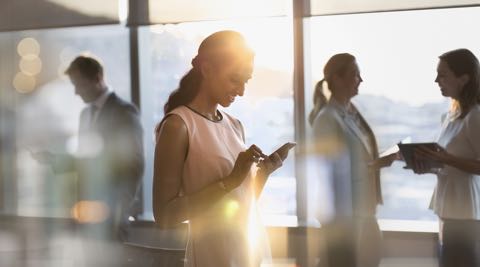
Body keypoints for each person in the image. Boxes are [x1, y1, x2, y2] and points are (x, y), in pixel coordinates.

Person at [152, 30, 291, 267]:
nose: (242, 91)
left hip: (249, 252)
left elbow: (240, 203)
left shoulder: (235, 125)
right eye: (234, 79)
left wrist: (262, 175)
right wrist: (231, 180)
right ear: (207, 69)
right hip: (212, 257)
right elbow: (165, 216)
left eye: (246, 81)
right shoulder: (178, 126)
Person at [32, 55, 144, 242]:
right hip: (86, 214)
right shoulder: (85, 115)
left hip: (111, 215)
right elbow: (88, 160)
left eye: (79, 84)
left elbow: (134, 164)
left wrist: (119, 210)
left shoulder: (124, 112)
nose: (76, 92)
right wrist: (54, 159)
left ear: (98, 78)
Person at [308, 53, 398, 267]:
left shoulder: (353, 115)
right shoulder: (327, 119)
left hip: (364, 208)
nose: (360, 80)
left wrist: (376, 162)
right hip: (344, 215)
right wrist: (374, 166)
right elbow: (325, 170)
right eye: (354, 74)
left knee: (370, 257)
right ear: (337, 79)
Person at [409, 48, 480, 267]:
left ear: (464, 78)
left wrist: (446, 159)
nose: (436, 80)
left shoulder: (475, 116)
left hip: (465, 213)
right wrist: (427, 164)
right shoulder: (451, 116)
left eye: (442, 75)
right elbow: (447, 162)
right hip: (447, 209)